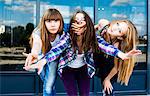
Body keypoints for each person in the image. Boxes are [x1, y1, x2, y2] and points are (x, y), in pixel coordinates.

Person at [24, 10, 141, 96]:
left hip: (86, 68)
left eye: (82, 20)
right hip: (67, 69)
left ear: (87, 24)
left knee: (86, 93)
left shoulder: (93, 37)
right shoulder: (67, 36)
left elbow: (107, 47)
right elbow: (57, 49)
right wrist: (43, 60)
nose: (79, 23)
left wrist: (123, 55)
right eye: (76, 20)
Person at [23, 8, 65, 96]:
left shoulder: (63, 32)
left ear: (60, 22)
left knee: (48, 86)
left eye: (56, 21)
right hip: (40, 57)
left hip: (53, 58)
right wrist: (34, 53)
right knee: (49, 84)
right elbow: (37, 44)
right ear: (44, 22)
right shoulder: (38, 32)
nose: (53, 25)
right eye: (49, 21)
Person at [94, 19, 139, 95]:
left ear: (120, 37)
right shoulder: (105, 28)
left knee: (107, 90)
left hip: (109, 70)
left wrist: (107, 79)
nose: (115, 28)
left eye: (119, 31)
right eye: (117, 24)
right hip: (98, 62)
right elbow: (90, 32)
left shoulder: (116, 45)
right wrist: (97, 27)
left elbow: (116, 67)